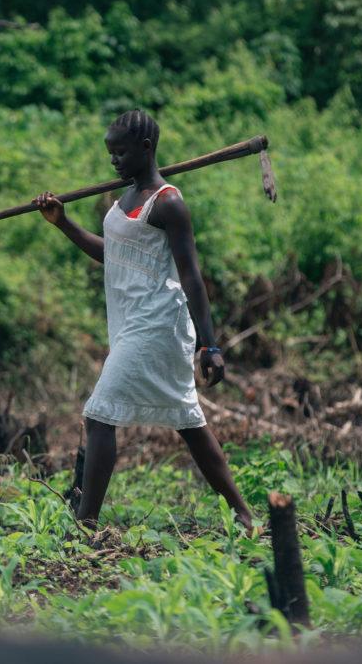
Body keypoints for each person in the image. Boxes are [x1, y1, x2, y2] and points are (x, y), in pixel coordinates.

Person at [32, 109, 254, 530]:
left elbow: (191, 276)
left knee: (99, 415)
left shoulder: (167, 202)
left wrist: (210, 345)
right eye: (110, 153)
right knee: (189, 423)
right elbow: (111, 254)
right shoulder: (125, 197)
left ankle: (87, 522)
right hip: (130, 323)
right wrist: (62, 223)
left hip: (158, 325)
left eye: (121, 152)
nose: (114, 160)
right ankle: (244, 513)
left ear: (146, 148)